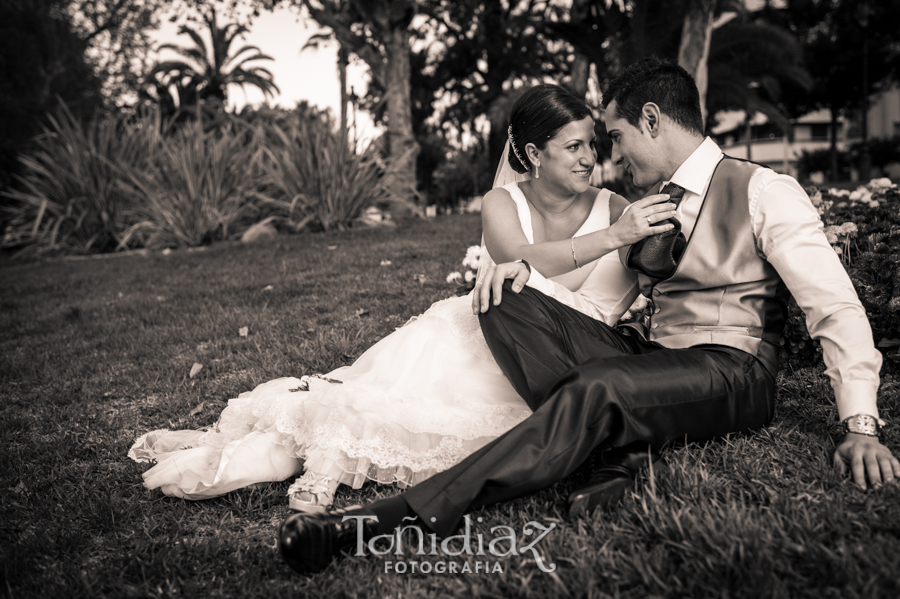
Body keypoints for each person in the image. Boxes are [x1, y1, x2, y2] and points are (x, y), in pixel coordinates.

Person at [278, 57, 900, 575]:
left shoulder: (764, 191)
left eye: (619, 137)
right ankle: (619, 455)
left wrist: (860, 423)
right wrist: (526, 266)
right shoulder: (647, 202)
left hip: (732, 367)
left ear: (652, 121)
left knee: (600, 386)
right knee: (505, 291)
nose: (612, 157)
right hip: (649, 357)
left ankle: (377, 523)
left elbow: (833, 306)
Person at [128, 84, 671, 514]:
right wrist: (611, 238)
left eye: (591, 145)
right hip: (483, 335)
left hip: (569, 359)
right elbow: (515, 264)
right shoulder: (502, 202)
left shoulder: (617, 206)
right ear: (533, 153)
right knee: (372, 408)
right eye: (572, 146)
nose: (588, 159)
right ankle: (321, 464)